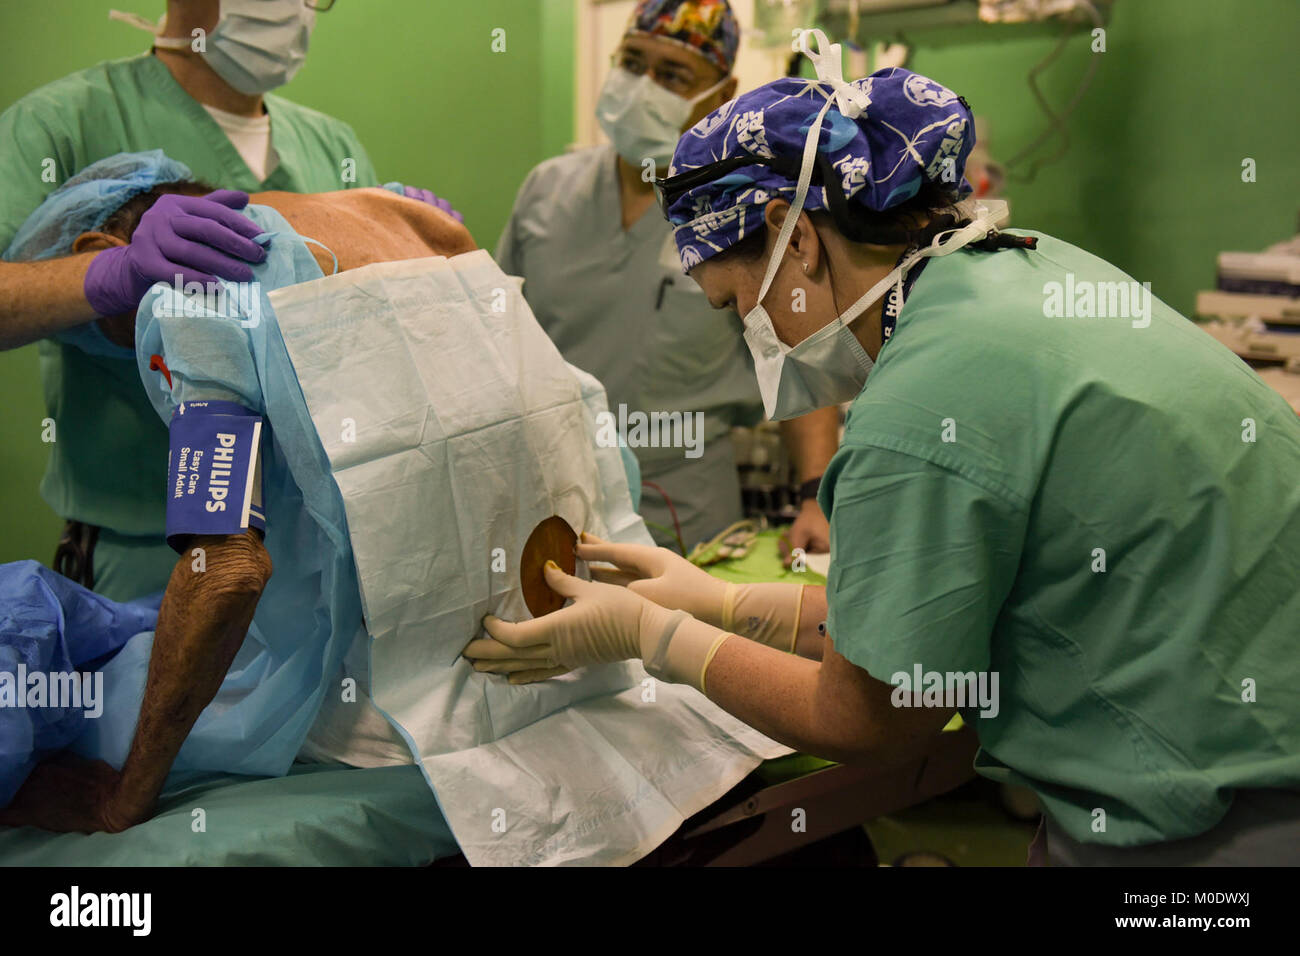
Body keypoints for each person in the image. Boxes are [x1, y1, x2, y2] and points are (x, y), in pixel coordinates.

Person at [466, 32, 1300, 865]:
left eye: (736, 308)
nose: (756, 338)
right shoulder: (1021, 270)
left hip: (1222, 817)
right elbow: (915, 621)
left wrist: (655, 639)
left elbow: (869, 718)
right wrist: (712, 604)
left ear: (793, 241)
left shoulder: (921, 405)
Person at [0, 0, 455, 602]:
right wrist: (109, 272)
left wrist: (409, 254)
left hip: (320, 555)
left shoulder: (329, 142)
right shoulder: (62, 121)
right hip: (142, 556)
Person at [497, 0, 839, 556]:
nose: (643, 85)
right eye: (632, 62)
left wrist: (813, 499)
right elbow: (500, 339)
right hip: (553, 493)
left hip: (687, 505)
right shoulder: (547, 191)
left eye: (673, 74)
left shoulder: (746, 211)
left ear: (722, 93)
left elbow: (801, 362)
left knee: (681, 639)